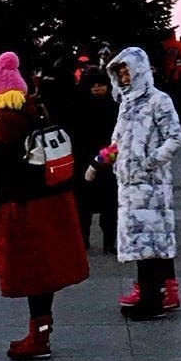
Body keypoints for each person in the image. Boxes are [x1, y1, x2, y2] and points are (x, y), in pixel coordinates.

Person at [0, 53, 90, 360]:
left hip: (25, 207)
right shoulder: (36, 109)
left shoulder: (7, 120)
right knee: (44, 274)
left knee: (33, 274)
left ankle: (39, 339)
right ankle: (40, 332)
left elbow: (3, 165)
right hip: (50, 199)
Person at [105, 47, 181, 320]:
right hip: (128, 185)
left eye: (127, 70)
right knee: (141, 244)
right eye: (120, 72)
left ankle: (152, 301)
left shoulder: (158, 100)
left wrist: (150, 162)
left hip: (151, 186)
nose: (124, 76)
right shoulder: (126, 103)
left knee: (150, 244)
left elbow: (175, 137)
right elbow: (119, 140)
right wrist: (109, 157)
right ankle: (150, 296)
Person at [67, 68, 120, 253]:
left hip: (108, 161)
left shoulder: (115, 108)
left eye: (101, 85)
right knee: (83, 204)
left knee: (110, 204)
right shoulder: (78, 109)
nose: (97, 89)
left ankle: (110, 240)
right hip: (83, 161)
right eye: (94, 86)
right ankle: (84, 238)